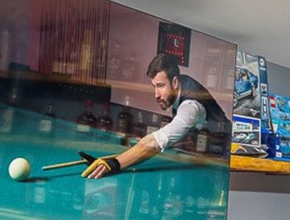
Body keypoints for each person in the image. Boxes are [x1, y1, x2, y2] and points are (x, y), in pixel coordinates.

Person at [83, 53, 228, 176]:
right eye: (154, 86)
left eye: (160, 86)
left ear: (175, 82)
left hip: (225, 163)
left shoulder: (190, 107)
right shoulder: (180, 83)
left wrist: (114, 164)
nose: (156, 95)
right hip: (208, 159)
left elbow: (154, 143)